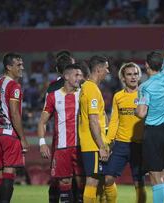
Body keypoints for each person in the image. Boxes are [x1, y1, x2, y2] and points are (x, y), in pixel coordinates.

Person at [135, 11, 164, 203]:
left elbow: (141, 113)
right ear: (161, 65)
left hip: (153, 133)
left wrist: (137, 106)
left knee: (155, 178)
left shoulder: (144, 87)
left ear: (146, 66)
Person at [38, 63, 85, 203]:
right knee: (64, 184)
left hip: (81, 146)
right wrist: (42, 143)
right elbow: (42, 122)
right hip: (62, 147)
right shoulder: (53, 96)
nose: (79, 78)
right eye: (76, 75)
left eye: (81, 75)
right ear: (66, 76)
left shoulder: (84, 93)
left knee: (82, 183)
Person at [104, 62, 147, 203]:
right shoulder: (118, 96)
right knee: (108, 179)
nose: (133, 77)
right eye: (129, 74)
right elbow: (114, 121)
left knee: (139, 183)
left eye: (135, 74)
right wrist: (108, 142)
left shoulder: (145, 94)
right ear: (123, 78)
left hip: (139, 144)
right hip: (121, 144)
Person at [0, 53, 30, 203]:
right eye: (18, 65)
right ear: (9, 67)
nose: (22, 68)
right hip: (9, 134)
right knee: (9, 172)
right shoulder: (14, 85)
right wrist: (23, 138)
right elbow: (14, 113)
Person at [78, 55, 113, 203]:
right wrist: (101, 146)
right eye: (106, 68)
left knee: (99, 180)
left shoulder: (87, 87)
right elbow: (93, 121)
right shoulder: (92, 89)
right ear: (98, 69)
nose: (108, 71)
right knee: (92, 181)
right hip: (93, 144)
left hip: (92, 143)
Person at [45, 50, 77, 203]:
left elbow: (46, 117)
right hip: (70, 138)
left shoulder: (51, 87)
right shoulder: (81, 86)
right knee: (75, 177)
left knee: (58, 177)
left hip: (60, 138)